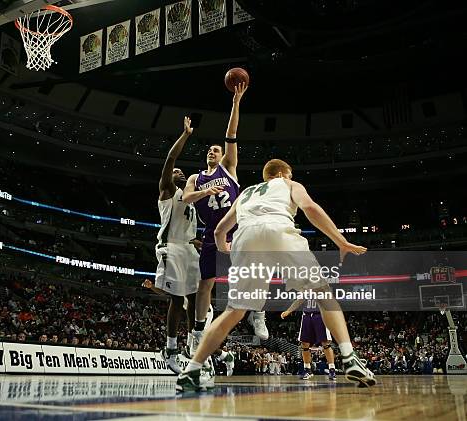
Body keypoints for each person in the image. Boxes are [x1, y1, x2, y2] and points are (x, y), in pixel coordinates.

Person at [177, 159, 376, 392]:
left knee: (234, 312)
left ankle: (191, 370)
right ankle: (349, 357)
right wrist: (340, 241)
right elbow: (310, 208)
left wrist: (225, 249)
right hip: (278, 230)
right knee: (323, 294)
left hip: (245, 238)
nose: (290, 178)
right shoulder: (290, 185)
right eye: (289, 175)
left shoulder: (247, 193)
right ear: (282, 173)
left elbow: (221, 229)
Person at [182, 82, 268, 355]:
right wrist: (205, 190)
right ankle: (197, 330)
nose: (212, 151)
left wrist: (236, 102)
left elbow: (231, 133)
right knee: (205, 282)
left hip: (237, 227)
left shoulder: (229, 168)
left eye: (216, 150)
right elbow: (186, 199)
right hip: (211, 231)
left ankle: (257, 313)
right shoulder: (196, 179)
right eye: (209, 149)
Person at [154, 117, 199, 374]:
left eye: (180, 171)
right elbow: (170, 158)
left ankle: (192, 342)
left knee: (196, 298)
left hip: (188, 249)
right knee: (177, 297)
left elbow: (191, 234)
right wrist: (185, 135)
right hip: (170, 247)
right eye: (174, 171)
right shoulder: (167, 191)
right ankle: (170, 347)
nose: (177, 170)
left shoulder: (189, 199)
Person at [282, 299, 337, 381]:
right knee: (304, 343)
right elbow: (300, 300)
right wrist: (289, 311)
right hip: (306, 315)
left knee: (325, 343)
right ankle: (307, 369)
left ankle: (332, 369)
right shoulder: (305, 287)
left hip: (320, 314)